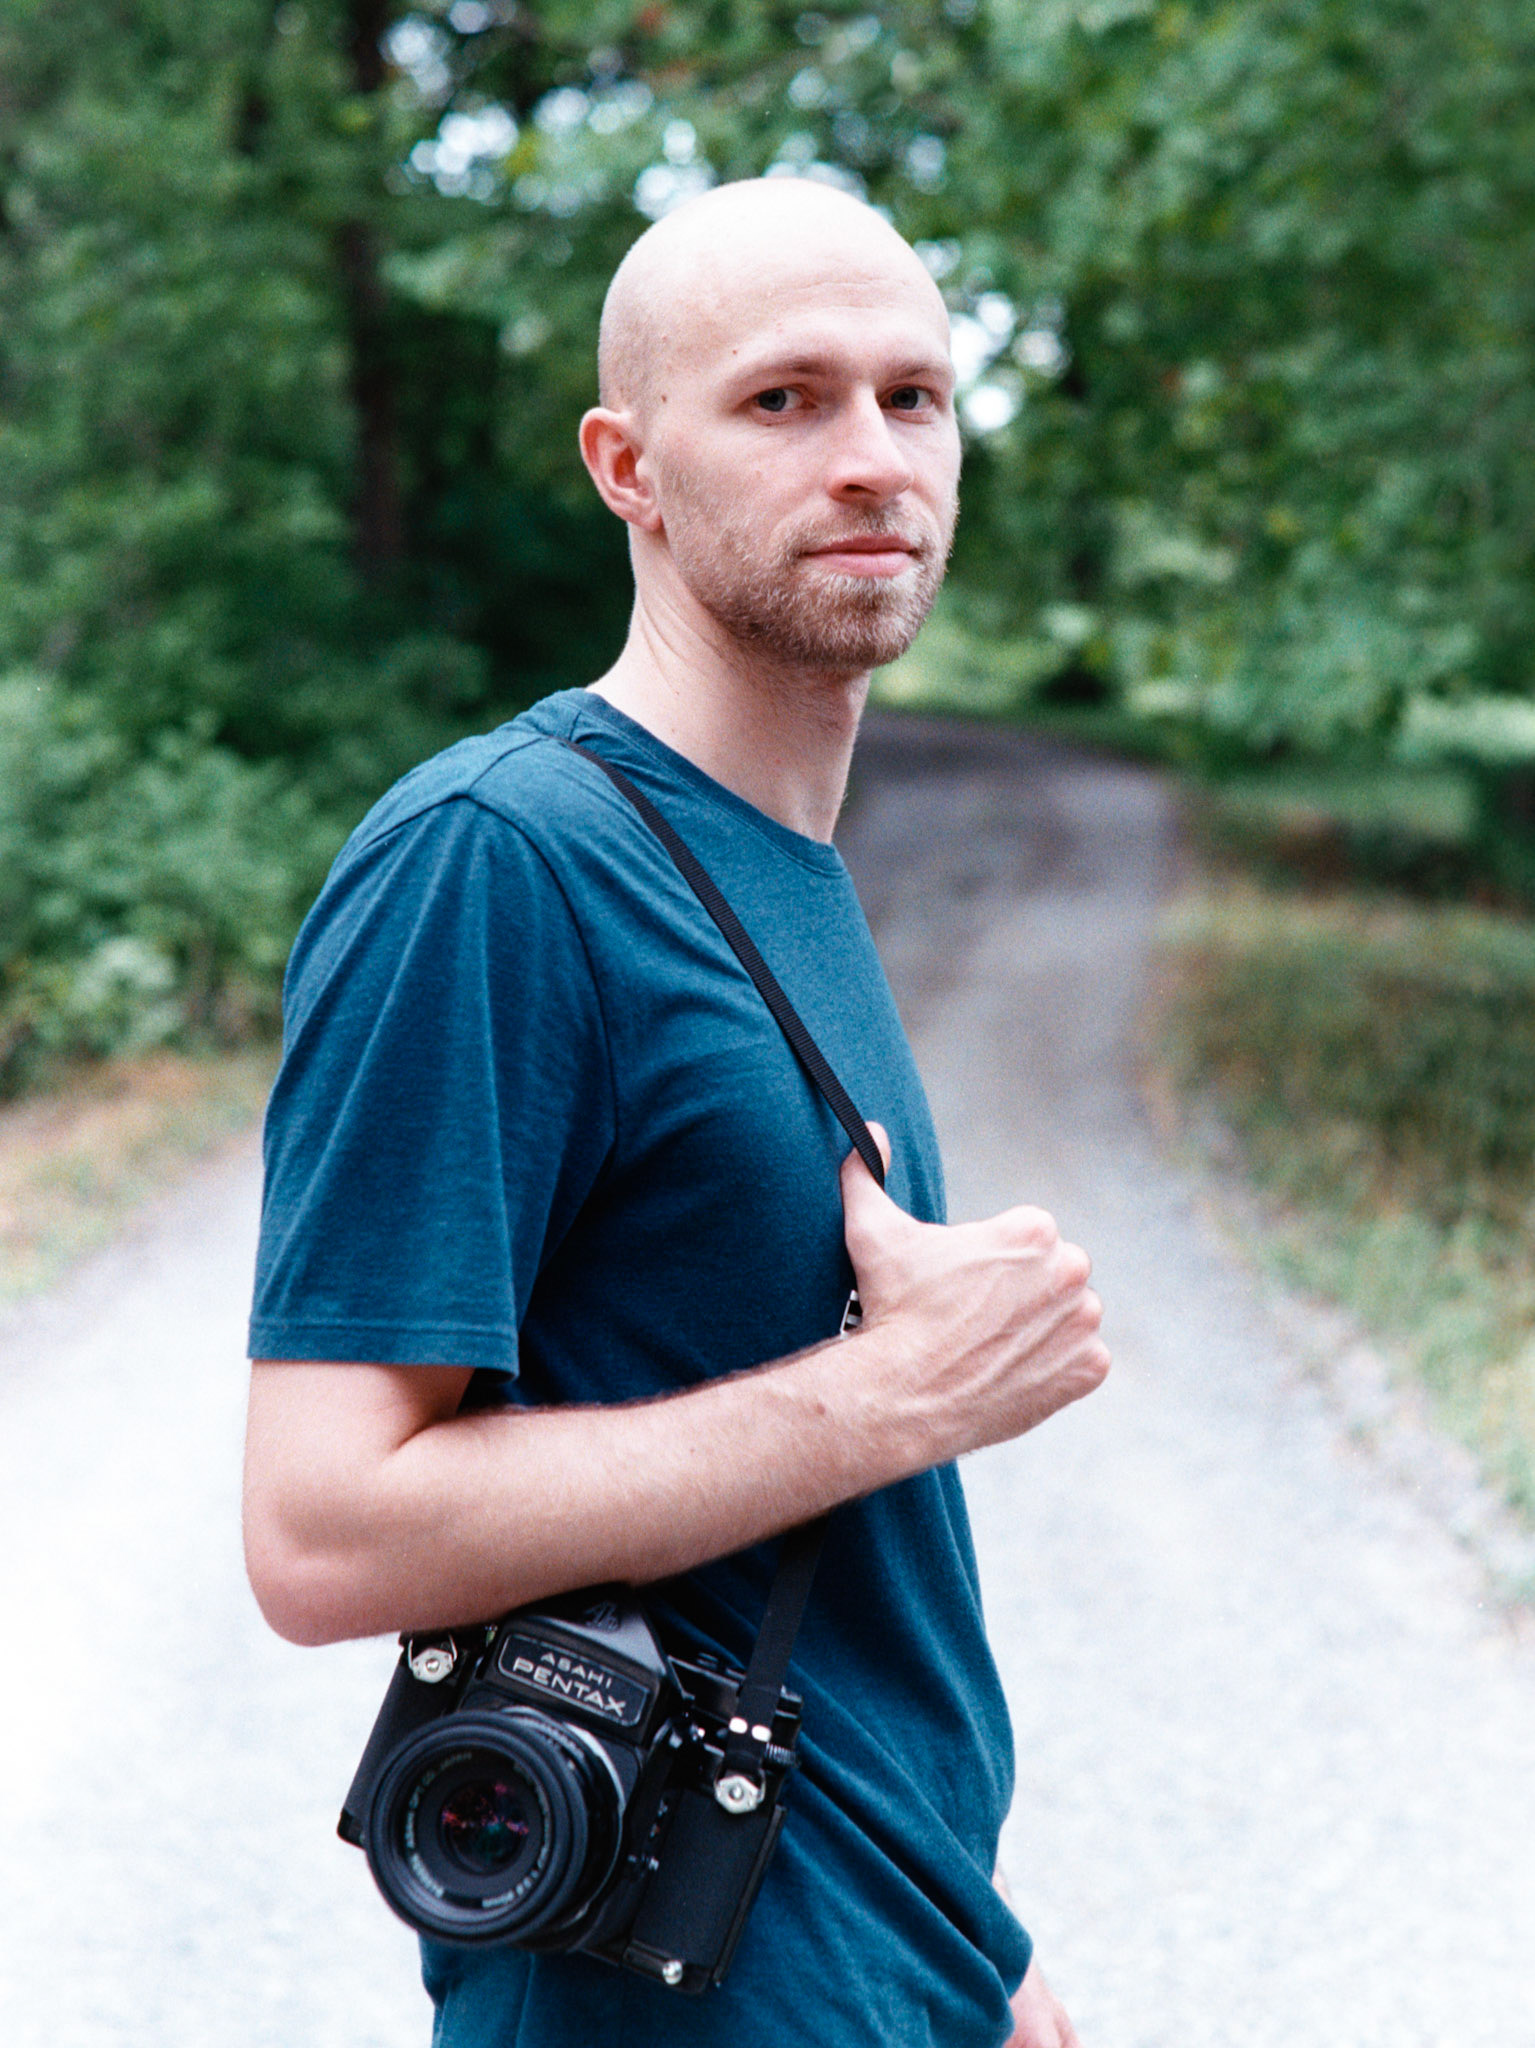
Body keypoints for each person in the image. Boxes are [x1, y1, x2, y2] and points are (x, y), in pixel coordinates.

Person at [243, 175, 1109, 2048]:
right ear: (627, 466)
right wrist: (900, 1393)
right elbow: (320, 1531)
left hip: (889, 1952)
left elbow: (818, 1575)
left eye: (915, 396)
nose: (872, 457)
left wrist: (972, 1932)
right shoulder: (498, 861)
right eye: (784, 399)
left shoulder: (780, 863)